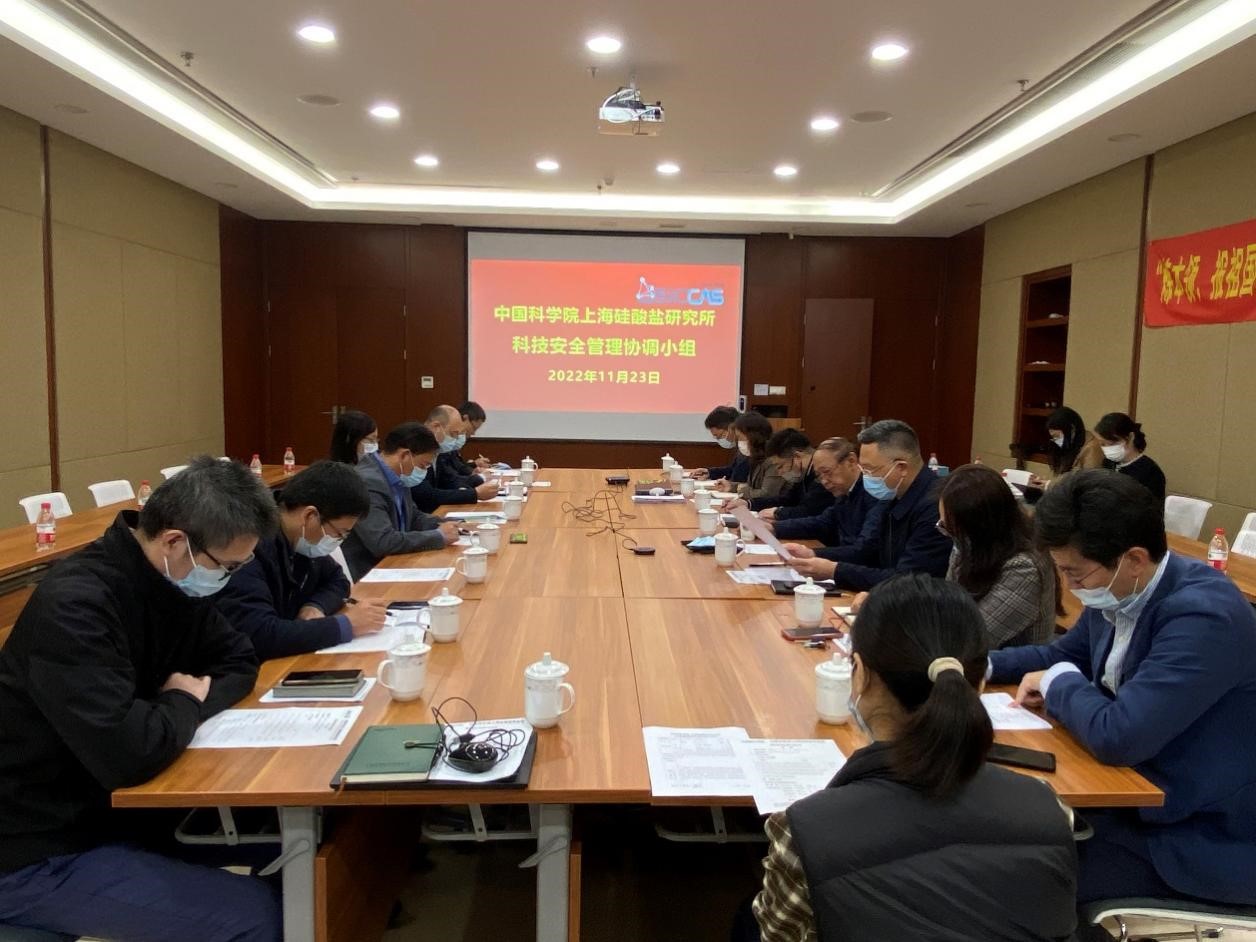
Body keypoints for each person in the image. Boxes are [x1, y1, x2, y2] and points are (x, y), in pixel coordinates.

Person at [0, 457, 282, 942]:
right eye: (227, 567)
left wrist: (168, 713)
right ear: (174, 541)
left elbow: (238, 660)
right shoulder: (75, 606)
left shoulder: (176, 583)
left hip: (119, 811)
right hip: (37, 848)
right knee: (258, 916)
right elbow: (129, 754)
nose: (228, 579)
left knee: (300, 847)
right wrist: (181, 705)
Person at [746, 574, 1077, 942]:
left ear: (860, 675)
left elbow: (778, 934)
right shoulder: (1052, 810)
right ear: (980, 683)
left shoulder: (802, 834)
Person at [991, 470, 1256, 907]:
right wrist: (974, 664)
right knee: (995, 843)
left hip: (1198, 835)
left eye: (1075, 574)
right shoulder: (1122, 589)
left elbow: (1120, 734)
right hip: (1130, 798)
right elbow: (1063, 655)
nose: (1070, 588)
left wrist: (1058, 682)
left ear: (1133, 558)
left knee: (1022, 887)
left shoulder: (1205, 617)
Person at [215, 461, 389, 659]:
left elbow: (337, 579)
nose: (338, 541)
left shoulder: (300, 541)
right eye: (339, 533)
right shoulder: (247, 546)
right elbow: (260, 634)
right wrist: (345, 625)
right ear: (310, 516)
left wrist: (315, 605)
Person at [783, 419, 952, 589]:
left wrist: (834, 571)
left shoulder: (935, 506)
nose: (865, 477)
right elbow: (867, 551)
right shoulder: (891, 494)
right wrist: (813, 554)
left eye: (870, 470)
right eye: (863, 469)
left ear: (901, 467)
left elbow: (910, 581)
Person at [937, 464, 1057, 648]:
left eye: (951, 528)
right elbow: (948, 603)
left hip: (1008, 663)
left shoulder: (1024, 567)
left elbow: (968, 639)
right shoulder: (969, 543)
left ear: (981, 527)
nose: (948, 533)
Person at [342, 422, 460, 580]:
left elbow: (413, 517)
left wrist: (450, 523)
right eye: (423, 465)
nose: (424, 472)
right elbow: (382, 541)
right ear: (405, 455)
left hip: (395, 562)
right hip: (370, 572)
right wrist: (438, 536)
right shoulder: (368, 481)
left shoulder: (396, 474)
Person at [769, 438, 882, 565]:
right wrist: (774, 528)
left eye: (827, 472)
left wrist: (813, 554)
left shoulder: (875, 493)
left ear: (851, 461)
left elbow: (864, 550)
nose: (824, 481)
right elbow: (822, 522)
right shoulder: (845, 492)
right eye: (819, 475)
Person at [740, 429, 830, 518]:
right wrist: (750, 503)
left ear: (797, 456)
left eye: (781, 466)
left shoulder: (822, 476)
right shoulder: (803, 473)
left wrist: (778, 513)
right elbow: (788, 499)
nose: (779, 473)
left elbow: (809, 511)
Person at [1094, 412, 1166, 502]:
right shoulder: (1108, 462)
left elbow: (1151, 506)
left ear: (1131, 437)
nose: (1108, 448)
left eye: (1112, 444)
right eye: (1103, 444)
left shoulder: (1150, 472)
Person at [1035, 406, 1104, 486]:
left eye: (1057, 436)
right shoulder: (1072, 445)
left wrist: (1050, 485)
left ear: (1072, 429)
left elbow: (1088, 484)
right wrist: (1048, 483)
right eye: (1053, 437)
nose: (1056, 440)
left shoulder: (1092, 448)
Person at [427, 404, 486, 490]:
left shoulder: (438, 451)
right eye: (453, 434)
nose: (456, 438)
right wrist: (475, 493)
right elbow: (427, 493)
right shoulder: (419, 450)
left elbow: (450, 479)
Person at [732, 412, 785, 502]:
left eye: (740, 438)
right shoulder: (756, 457)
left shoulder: (773, 460)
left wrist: (741, 490)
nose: (739, 442)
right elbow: (751, 486)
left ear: (754, 437)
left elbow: (766, 494)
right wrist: (731, 487)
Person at [692, 405, 749, 483]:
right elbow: (733, 470)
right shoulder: (741, 447)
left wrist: (731, 486)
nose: (720, 439)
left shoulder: (750, 448)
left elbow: (742, 478)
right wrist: (710, 472)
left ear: (731, 428)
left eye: (721, 435)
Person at [457, 400, 494, 472]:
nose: (473, 433)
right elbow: (451, 475)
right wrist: (474, 475)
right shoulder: (445, 445)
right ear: (465, 418)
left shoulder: (453, 445)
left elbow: (458, 468)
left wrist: (474, 464)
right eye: (474, 428)